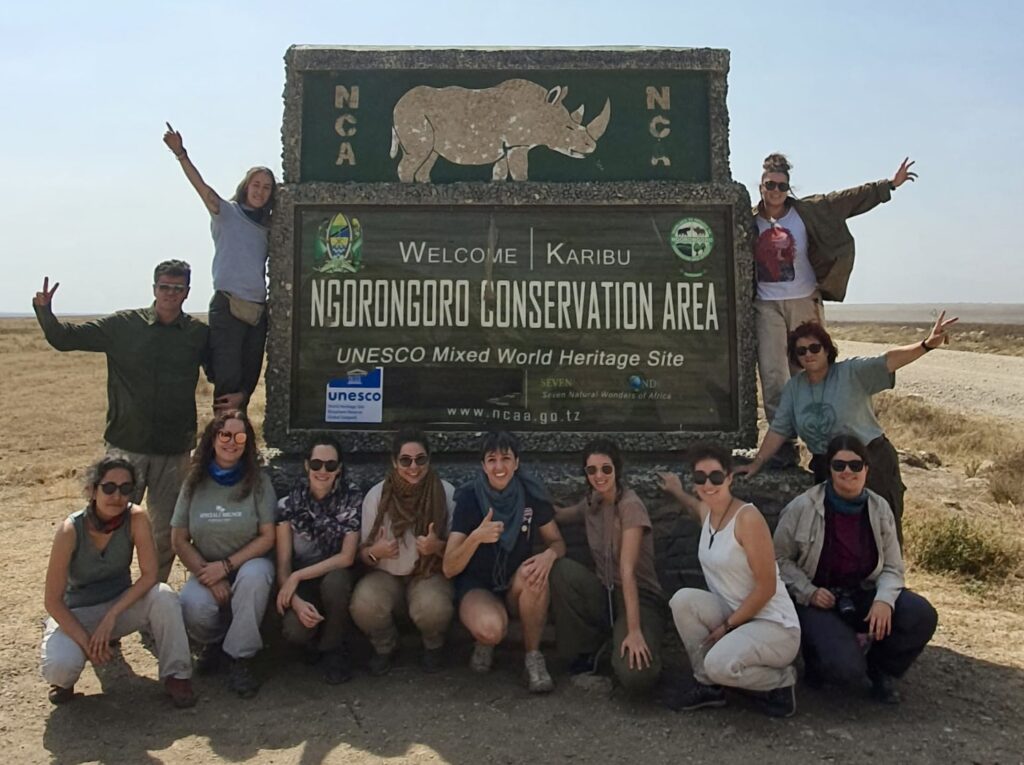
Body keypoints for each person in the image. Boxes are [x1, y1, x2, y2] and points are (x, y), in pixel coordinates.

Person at [33, 262, 208, 582]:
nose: (170, 294)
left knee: (166, 531)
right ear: (154, 288)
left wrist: (234, 396)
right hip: (126, 446)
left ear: (187, 292)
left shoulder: (197, 334)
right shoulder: (124, 325)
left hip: (174, 450)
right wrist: (44, 311)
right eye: (164, 287)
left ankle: (151, 599)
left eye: (177, 288)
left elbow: (219, 371)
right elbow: (65, 338)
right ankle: (99, 592)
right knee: (107, 525)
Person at [753, 153, 917, 467]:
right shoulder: (749, 220)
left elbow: (847, 201)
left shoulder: (808, 212)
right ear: (760, 186)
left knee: (810, 367)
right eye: (769, 185)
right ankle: (784, 443)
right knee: (774, 373)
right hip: (766, 303)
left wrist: (888, 186)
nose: (775, 191)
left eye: (781, 186)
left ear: (789, 187)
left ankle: (821, 436)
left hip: (804, 300)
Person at [736, 311, 958, 543]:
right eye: (801, 351)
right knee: (840, 537)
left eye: (814, 348)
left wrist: (926, 345)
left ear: (827, 349)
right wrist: (757, 462)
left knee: (881, 533)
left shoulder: (851, 372)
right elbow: (779, 429)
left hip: (871, 462)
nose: (809, 354)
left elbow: (888, 360)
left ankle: (887, 579)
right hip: (828, 468)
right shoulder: (795, 389)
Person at [773, 435, 938, 703]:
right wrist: (809, 591)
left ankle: (881, 669)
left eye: (855, 465)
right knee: (844, 669)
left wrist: (884, 600)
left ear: (866, 469)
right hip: (819, 599)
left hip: (865, 593)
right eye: (839, 466)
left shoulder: (879, 508)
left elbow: (894, 567)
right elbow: (778, 559)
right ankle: (819, 661)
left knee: (920, 614)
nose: (847, 472)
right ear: (829, 470)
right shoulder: (802, 507)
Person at [41, 456, 195, 707]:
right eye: (109, 487)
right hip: (79, 613)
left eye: (125, 489)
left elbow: (149, 575)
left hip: (119, 606)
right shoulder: (70, 530)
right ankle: (65, 678)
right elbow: (53, 600)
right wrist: (86, 642)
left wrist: (112, 616)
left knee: (164, 596)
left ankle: (177, 675)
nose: (117, 496)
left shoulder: (136, 518)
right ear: (92, 490)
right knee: (60, 668)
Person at [659, 443, 800, 718]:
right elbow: (694, 506)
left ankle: (781, 683)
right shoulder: (709, 512)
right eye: (700, 478)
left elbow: (767, 587)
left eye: (716, 477)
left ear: (730, 477)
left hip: (773, 625)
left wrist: (726, 626)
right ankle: (708, 686)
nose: (708, 484)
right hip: (736, 615)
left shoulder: (748, 518)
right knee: (682, 601)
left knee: (719, 664)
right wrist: (677, 491)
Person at [163, 123, 275, 414]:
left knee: (248, 383)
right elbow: (201, 187)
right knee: (227, 381)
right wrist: (181, 154)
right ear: (245, 186)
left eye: (266, 187)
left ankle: (241, 441)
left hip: (257, 310)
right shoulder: (226, 213)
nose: (260, 191)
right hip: (228, 305)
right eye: (256, 185)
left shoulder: (269, 226)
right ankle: (221, 442)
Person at [443, 431, 566, 693]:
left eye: (506, 459)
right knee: (490, 629)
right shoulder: (469, 498)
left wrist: (549, 555)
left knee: (535, 575)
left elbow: (557, 542)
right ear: (483, 465)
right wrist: (476, 537)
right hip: (477, 586)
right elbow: (449, 566)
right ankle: (484, 641)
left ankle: (533, 658)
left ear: (516, 462)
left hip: (514, 583)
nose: (499, 467)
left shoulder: (530, 494)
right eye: (492, 460)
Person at [170, 411, 276, 698]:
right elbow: (179, 539)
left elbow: (268, 536)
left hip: (247, 564)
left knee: (256, 576)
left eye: (240, 436)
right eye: (225, 435)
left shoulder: (258, 481)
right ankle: (214, 644)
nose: (232, 442)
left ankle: (239, 657)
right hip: (206, 568)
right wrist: (210, 575)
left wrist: (227, 567)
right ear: (213, 439)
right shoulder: (194, 481)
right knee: (194, 605)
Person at [550, 437, 666, 695]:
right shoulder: (593, 502)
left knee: (637, 676)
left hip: (639, 598)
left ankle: (626, 640)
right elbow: (560, 514)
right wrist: (527, 498)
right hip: (605, 593)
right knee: (561, 571)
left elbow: (627, 571)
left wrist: (634, 631)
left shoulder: (630, 507)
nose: (599, 476)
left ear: (617, 470)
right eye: (591, 470)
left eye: (606, 469)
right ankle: (585, 651)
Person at [350, 430, 456, 675]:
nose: (414, 467)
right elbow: (362, 554)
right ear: (394, 461)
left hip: (428, 572)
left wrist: (436, 546)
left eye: (420, 459)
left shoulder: (446, 493)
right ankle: (385, 646)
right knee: (364, 604)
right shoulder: (377, 496)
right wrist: (375, 552)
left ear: (429, 460)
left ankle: (433, 645)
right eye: (405, 460)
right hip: (386, 574)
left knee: (434, 608)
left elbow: (458, 550)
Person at [275, 437, 362, 684]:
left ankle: (333, 649)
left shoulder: (352, 498)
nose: (323, 471)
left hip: (336, 572)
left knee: (335, 584)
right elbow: (283, 564)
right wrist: (295, 599)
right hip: (303, 580)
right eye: (316, 464)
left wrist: (297, 576)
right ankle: (310, 643)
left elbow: (346, 557)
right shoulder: (288, 505)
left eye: (330, 465)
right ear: (306, 466)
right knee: (295, 629)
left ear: (339, 469)